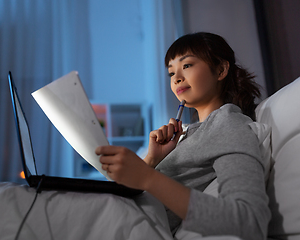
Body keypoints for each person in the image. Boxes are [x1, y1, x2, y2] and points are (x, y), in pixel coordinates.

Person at [95, 32, 270, 240]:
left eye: (187, 65)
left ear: (221, 69)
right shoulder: (188, 132)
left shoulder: (228, 123)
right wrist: (152, 160)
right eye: (171, 73)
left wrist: (147, 177)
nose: (176, 78)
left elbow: (250, 221)